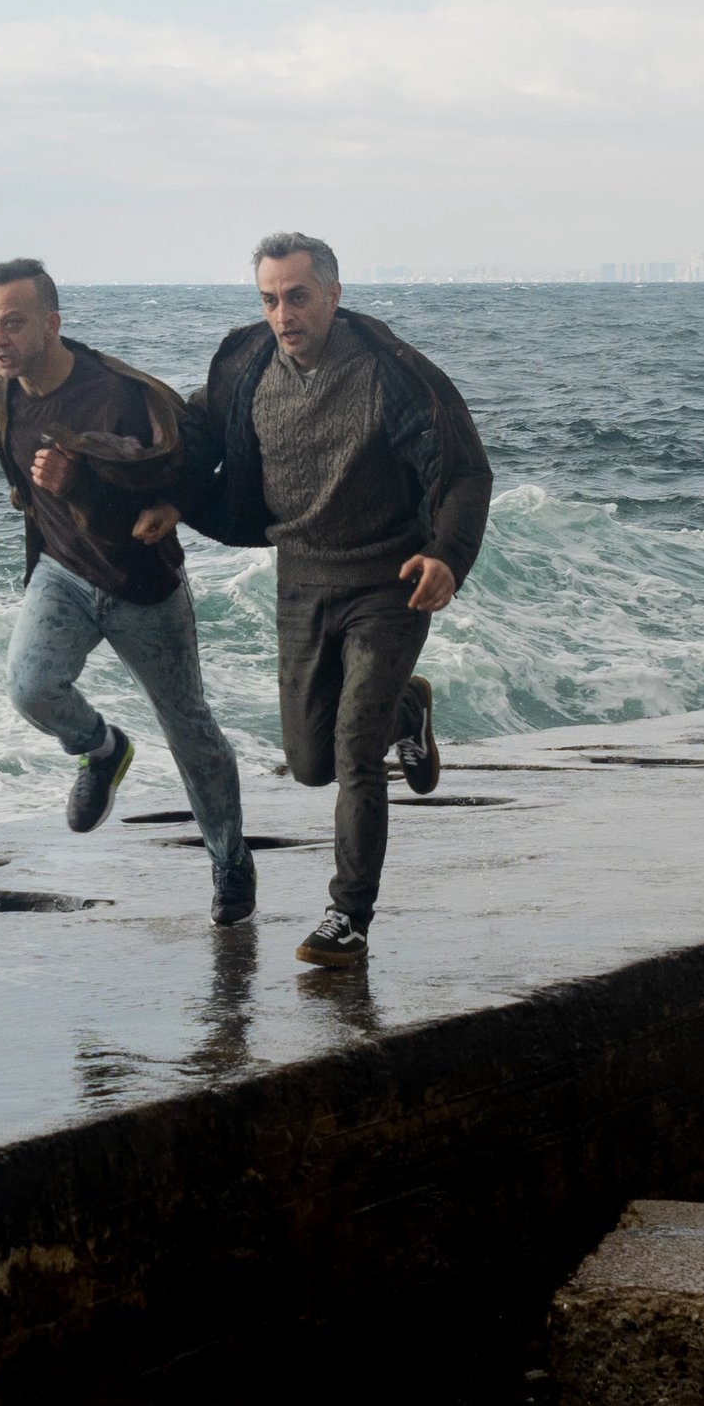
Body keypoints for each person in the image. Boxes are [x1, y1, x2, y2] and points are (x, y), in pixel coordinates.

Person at [171, 232, 492, 967]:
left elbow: (466, 472)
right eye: (270, 299)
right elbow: (197, 433)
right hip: (303, 577)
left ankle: (348, 919)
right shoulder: (249, 366)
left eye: (298, 296)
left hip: (390, 579)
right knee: (310, 762)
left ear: (334, 295)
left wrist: (446, 555)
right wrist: (153, 488)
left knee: (353, 753)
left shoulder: (392, 374)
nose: (283, 314)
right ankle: (406, 710)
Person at [0, 258, 253, 924]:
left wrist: (155, 502)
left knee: (190, 731)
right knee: (29, 685)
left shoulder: (119, 395)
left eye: (13, 322)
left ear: (52, 323)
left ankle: (230, 861)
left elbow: (192, 457)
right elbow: (24, 487)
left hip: (141, 584)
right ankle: (103, 751)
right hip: (64, 575)